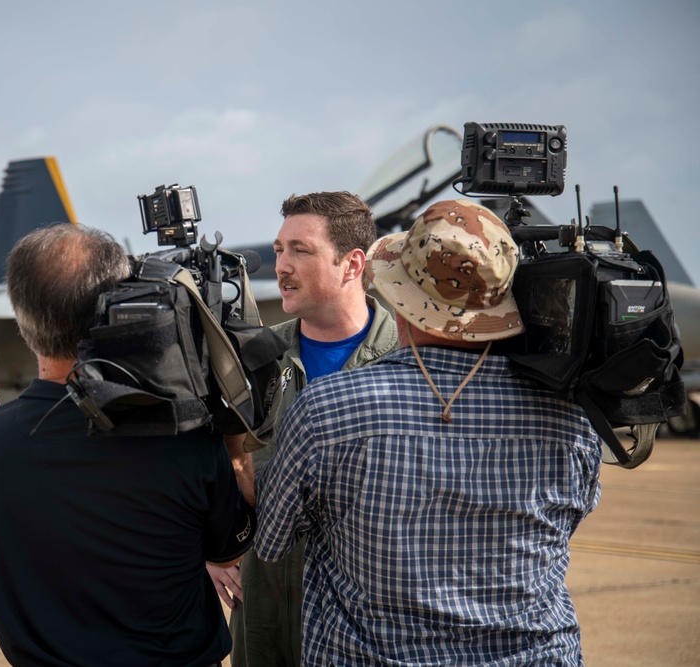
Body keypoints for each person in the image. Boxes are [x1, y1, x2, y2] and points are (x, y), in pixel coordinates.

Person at [256, 199, 602, 665]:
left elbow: (273, 540)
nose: (283, 265)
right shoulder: (571, 415)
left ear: (399, 295)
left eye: (299, 249)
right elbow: (571, 515)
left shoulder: (329, 407)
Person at [0, 223, 257, 666]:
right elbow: (231, 547)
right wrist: (234, 448)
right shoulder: (185, 441)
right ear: (117, 308)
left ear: (21, 313)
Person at [221, 191, 398, 667]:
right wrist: (211, 551)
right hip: (264, 610)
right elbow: (206, 459)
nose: (282, 266)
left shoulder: (411, 359)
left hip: (373, 619)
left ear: (352, 263)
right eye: (279, 250)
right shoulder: (252, 361)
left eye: (301, 250)